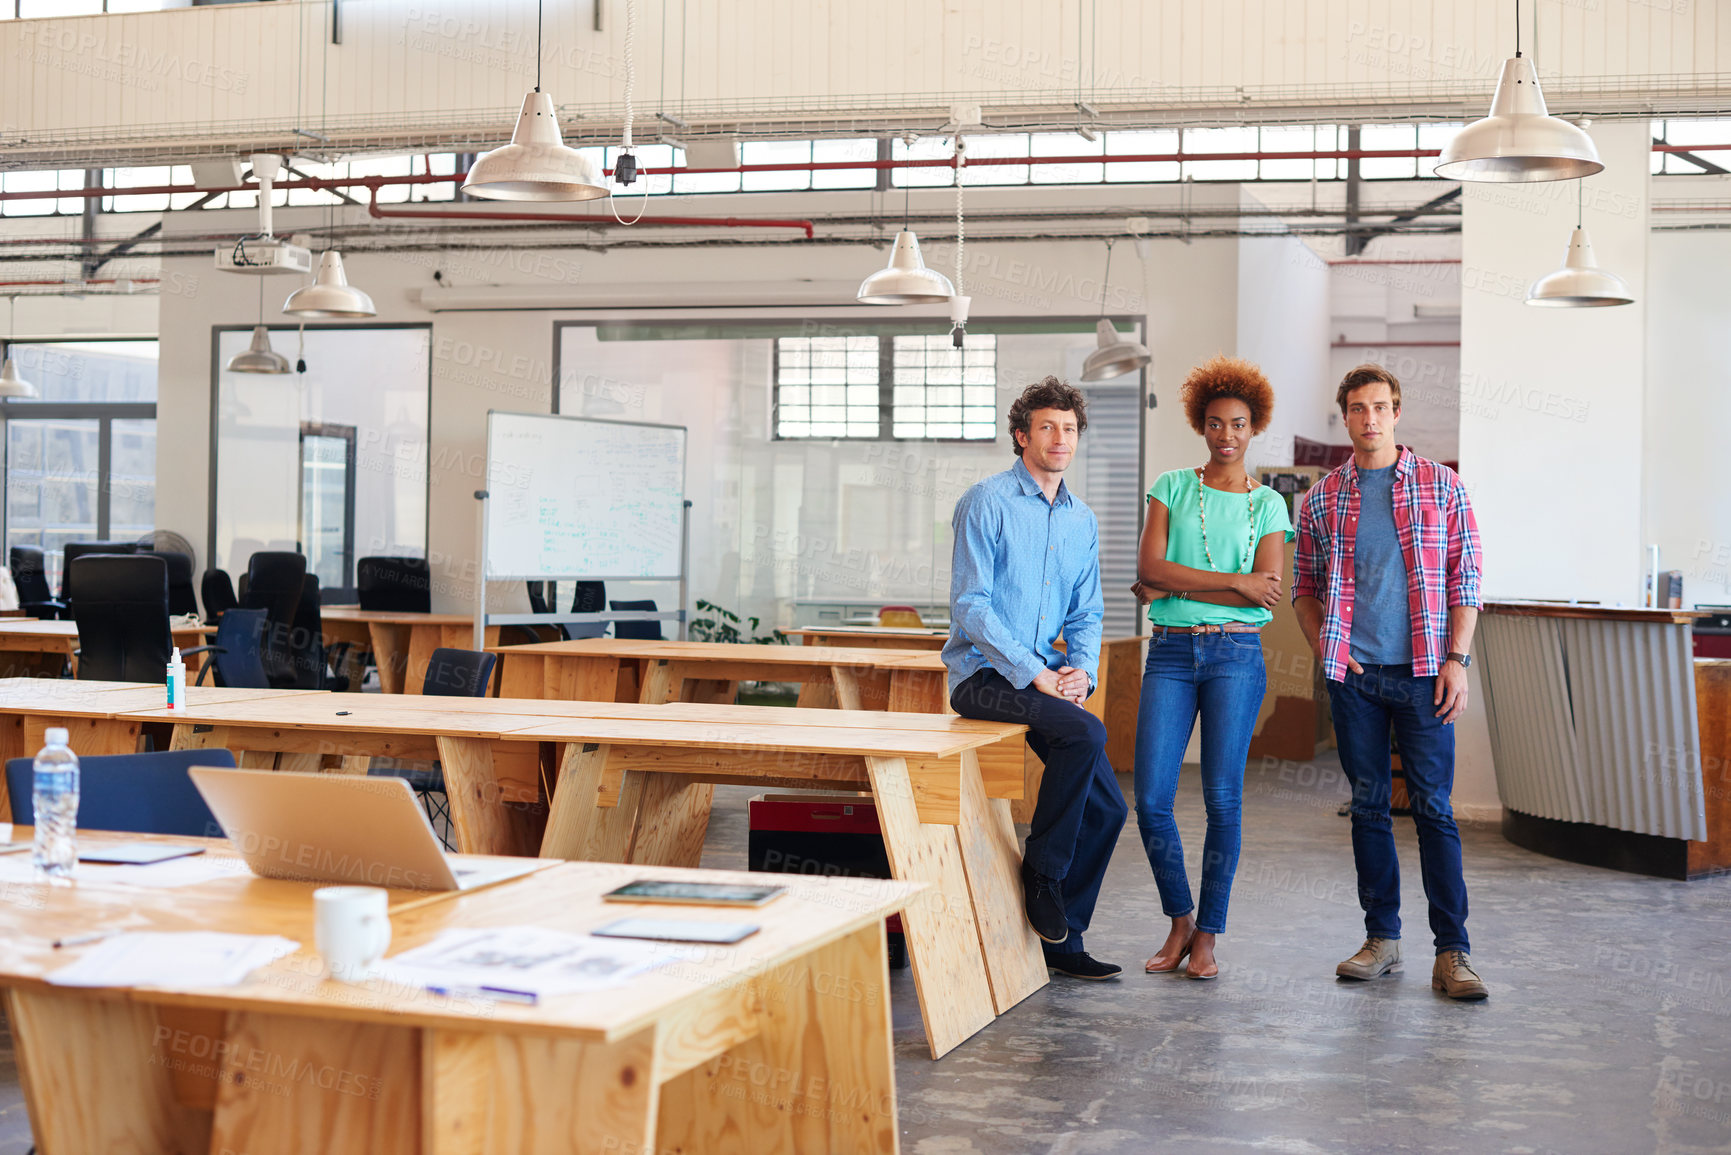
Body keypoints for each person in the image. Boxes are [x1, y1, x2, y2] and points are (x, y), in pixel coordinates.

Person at [1292, 363, 1487, 1000]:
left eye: (1380, 407)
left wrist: (1457, 659)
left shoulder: (1442, 486)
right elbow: (1305, 589)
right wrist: (1328, 647)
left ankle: (1453, 952)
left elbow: (1466, 580)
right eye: (1357, 408)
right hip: (1358, 680)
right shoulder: (1322, 498)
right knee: (1370, 808)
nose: (1369, 419)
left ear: (1396, 413)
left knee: (1435, 809)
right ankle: (1382, 939)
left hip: (1427, 674)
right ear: (1344, 416)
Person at [945, 375, 1128, 981]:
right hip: (983, 675)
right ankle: (1042, 871)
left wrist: (1082, 672)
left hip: (1046, 679)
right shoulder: (986, 502)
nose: (1060, 438)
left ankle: (1062, 942)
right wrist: (1034, 674)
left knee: (1108, 811)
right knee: (1085, 737)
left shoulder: (1082, 520)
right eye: (1047, 426)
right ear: (1022, 436)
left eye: (1070, 428)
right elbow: (972, 605)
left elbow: (1088, 610)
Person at [1130, 356, 1292, 981]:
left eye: (1240, 424)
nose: (1227, 434)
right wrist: (1235, 583)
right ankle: (1179, 921)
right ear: (1202, 425)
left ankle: (1209, 938)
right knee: (1151, 800)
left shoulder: (1270, 505)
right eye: (1217, 423)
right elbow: (1150, 572)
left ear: (1255, 429)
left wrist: (1178, 589)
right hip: (1169, 653)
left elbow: (1269, 596)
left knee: (1223, 799)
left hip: (1235, 658)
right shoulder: (1171, 486)